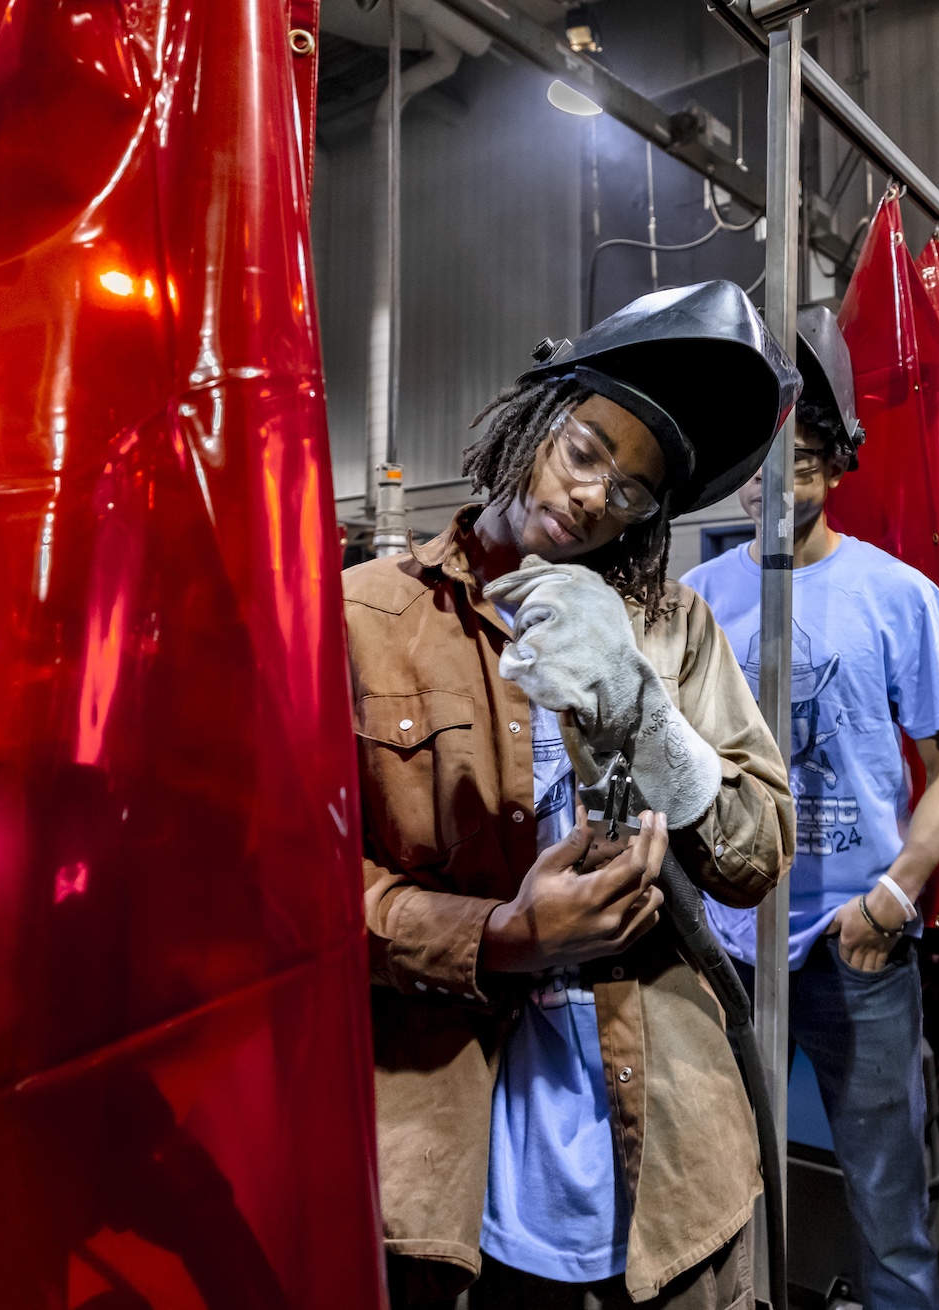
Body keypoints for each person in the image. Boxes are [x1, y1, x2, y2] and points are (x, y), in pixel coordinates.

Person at [345, 280, 799, 1310]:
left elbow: (757, 848)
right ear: (536, 419)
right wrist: (499, 934)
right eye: (588, 450)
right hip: (447, 1173)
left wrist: (647, 715)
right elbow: (291, 889)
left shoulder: (675, 631)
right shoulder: (365, 618)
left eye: (633, 492)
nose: (597, 496)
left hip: (669, 1161)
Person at [683, 306, 939, 1310]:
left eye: (802, 461)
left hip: (853, 948)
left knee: (890, 1212)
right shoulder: (697, 597)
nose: (779, 484)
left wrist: (890, 899)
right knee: (717, 1191)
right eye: (764, 462)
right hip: (726, 947)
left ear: (836, 465)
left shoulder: (897, 595)